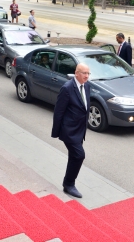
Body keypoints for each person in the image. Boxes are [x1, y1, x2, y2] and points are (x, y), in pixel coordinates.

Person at [51, 63, 91, 198]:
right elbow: (59, 111)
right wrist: (56, 132)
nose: (87, 76)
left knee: (74, 156)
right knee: (79, 155)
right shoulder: (67, 88)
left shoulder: (87, 86)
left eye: (88, 73)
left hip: (80, 130)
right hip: (69, 130)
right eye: (84, 73)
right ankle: (69, 184)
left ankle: (68, 182)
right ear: (76, 73)